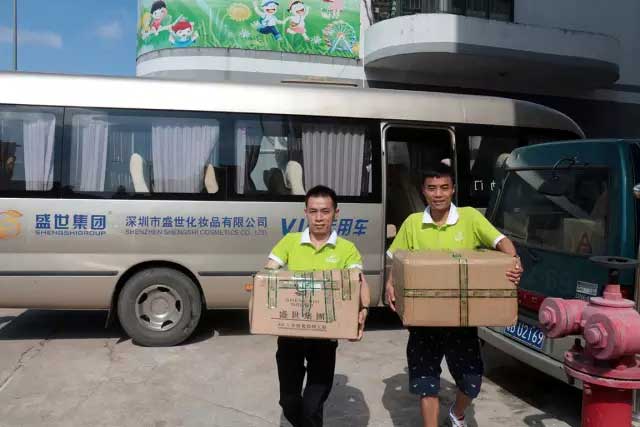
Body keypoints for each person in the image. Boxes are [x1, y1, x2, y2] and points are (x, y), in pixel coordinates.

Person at [385, 163, 522, 427]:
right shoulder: (413, 223)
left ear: (453, 190)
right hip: (424, 321)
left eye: (444, 188)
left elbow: (501, 242)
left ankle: (457, 414)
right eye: (432, 188)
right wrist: (390, 283)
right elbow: (397, 258)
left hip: (462, 320)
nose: (438, 194)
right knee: (426, 383)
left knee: (472, 381)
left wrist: (514, 261)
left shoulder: (469, 218)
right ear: (423, 191)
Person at [264, 185, 370, 427]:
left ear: (336, 213)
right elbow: (268, 273)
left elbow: (359, 282)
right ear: (306, 212)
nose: (319, 218)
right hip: (291, 333)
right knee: (289, 401)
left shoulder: (346, 249)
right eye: (313, 211)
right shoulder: (290, 241)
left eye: (325, 211)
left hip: (325, 335)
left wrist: (363, 309)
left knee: (313, 406)